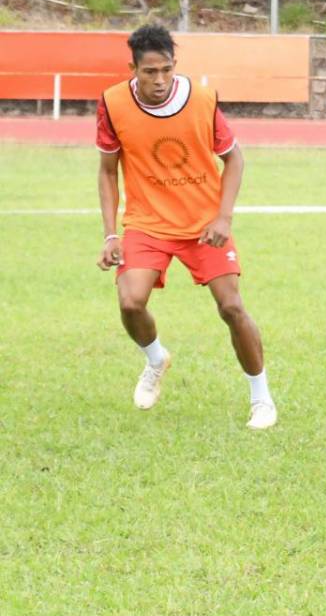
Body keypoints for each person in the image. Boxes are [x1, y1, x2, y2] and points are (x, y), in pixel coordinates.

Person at [95, 24, 277, 429]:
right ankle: (156, 358)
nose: (160, 80)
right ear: (133, 69)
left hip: (202, 224)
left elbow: (235, 158)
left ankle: (261, 399)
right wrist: (111, 234)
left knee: (231, 306)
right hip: (147, 223)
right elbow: (108, 172)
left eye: (167, 70)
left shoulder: (202, 99)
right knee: (130, 302)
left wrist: (223, 216)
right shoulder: (111, 103)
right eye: (150, 72)